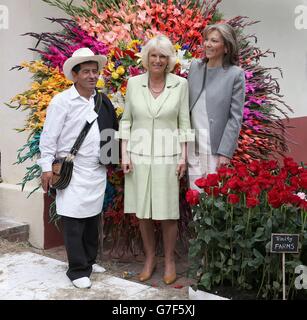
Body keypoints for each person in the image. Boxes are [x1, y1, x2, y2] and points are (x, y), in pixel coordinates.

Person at [38, 48, 118, 289]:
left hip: (96, 170)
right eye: (86, 72)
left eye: (95, 71)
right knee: (73, 219)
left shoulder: (102, 101)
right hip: (71, 170)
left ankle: (89, 261)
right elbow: (49, 137)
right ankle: (76, 270)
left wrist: (110, 161)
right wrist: (46, 167)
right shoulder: (62, 101)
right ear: (75, 75)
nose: (92, 76)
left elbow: (111, 131)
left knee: (92, 217)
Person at [116, 35, 194, 285]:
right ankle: (150, 259)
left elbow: (184, 122)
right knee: (143, 213)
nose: (158, 60)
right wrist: (124, 152)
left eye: (163, 56)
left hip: (168, 156)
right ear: (146, 58)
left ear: (169, 60)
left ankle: (169, 260)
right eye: (153, 55)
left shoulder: (180, 85)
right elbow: (126, 120)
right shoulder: (134, 83)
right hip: (137, 156)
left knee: (168, 212)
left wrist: (183, 156)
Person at [187, 23, 246, 189]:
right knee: (195, 199)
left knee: (212, 200)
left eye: (214, 41)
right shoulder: (195, 67)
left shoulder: (235, 74)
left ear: (226, 47)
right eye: (206, 40)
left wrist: (225, 153)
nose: (207, 44)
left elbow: (235, 118)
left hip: (215, 151)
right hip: (193, 149)